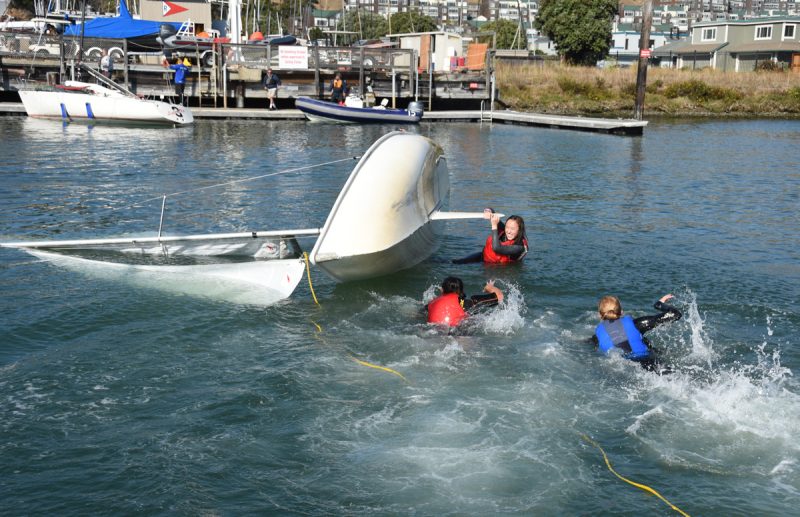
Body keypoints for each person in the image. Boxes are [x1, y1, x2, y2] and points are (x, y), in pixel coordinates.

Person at [591, 294, 682, 371]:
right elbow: (675, 314)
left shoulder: (597, 338)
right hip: (652, 363)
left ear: (600, 315)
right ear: (621, 312)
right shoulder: (636, 324)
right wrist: (659, 304)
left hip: (628, 368)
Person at [453, 209, 528, 264]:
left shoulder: (519, 247)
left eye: (512, 229)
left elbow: (496, 248)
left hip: (498, 267)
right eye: (507, 227)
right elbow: (493, 214)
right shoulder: (504, 230)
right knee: (456, 262)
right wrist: (488, 211)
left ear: (519, 230)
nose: (508, 231)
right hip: (483, 257)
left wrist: (494, 225)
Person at [426, 276, 503, 327]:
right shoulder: (468, 303)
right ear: (461, 291)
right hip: (460, 332)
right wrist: (489, 287)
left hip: (434, 331)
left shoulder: (431, 304)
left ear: (442, 290)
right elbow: (499, 297)